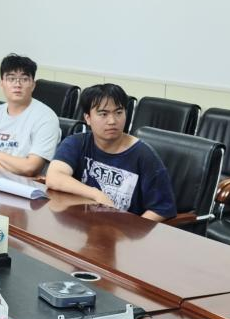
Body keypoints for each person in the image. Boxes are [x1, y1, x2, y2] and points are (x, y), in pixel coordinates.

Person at [47, 83, 176, 221]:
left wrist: (131, 230)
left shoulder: (144, 155)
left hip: (124, 229)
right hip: (84, 225)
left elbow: (162, 209)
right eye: (103, 114)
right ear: (88, 118)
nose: (112, 121)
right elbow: (54, 177)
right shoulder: (77, 143)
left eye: (118, 113)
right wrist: (96, 194)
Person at [0, 53, 60, 177]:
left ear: (33, 85)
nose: (17, 84)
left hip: (26, 185)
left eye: (24, 79)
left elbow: (31, 167)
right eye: (11, 79)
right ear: (1, 83)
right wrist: (13, 168)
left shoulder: (46, 118)